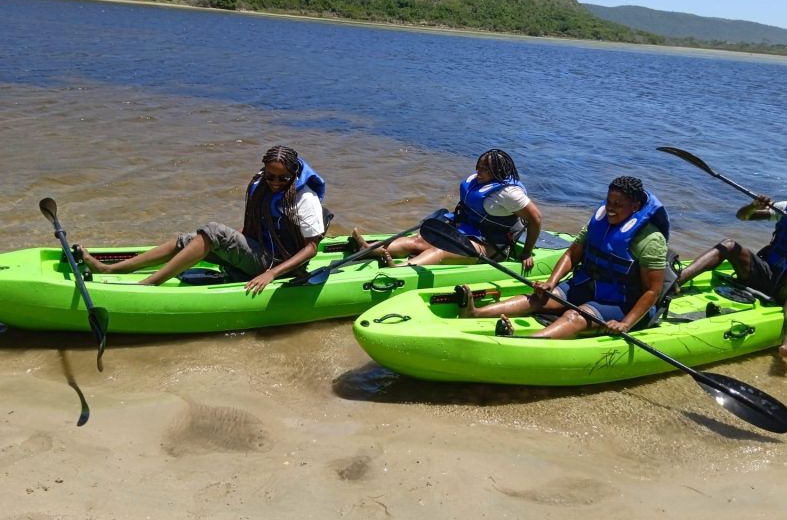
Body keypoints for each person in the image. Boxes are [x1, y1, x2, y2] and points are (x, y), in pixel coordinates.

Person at [81, 145, 327, 294]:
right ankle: (109, 268)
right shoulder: (260, 185)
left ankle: (148, 284)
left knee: (213, 231)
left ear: (294, 174)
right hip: (261, 253)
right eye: (270, 177)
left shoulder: (304, 198)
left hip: (280, 264)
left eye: (282, 178)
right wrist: (234, 250)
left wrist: (270, 275)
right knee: (187, 240)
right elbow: (251, 229)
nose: (275, 183)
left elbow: (311, 248)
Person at [459, 176, 670, 340]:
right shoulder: (600, 221)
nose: (611, 208)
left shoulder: (650, 239)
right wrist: (550, 283)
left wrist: (627, 323)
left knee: (576, 315)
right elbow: (571, 254)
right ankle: (475, 313)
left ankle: (528, 342)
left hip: (621, 302)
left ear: (635, 207)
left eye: (618, 204)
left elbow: (653, 290)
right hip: (586, 285)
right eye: (609, 201)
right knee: (539, 297)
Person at [677, 176, 787, 359]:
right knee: (729, 244)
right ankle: (676, 281)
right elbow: (743, 216)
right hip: (767, 273)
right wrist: (753, 206)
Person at [354, 149, 542, 269]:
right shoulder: (477, 181)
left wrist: (527, 251)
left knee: (441, 251)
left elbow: (536, 219)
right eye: (478, 167)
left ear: (497, 173)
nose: (478, 172)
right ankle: (371, 249)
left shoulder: (508, 193)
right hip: (466, 231)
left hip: (490, 245)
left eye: (484, 169)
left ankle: (401, 269)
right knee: (419, 240)